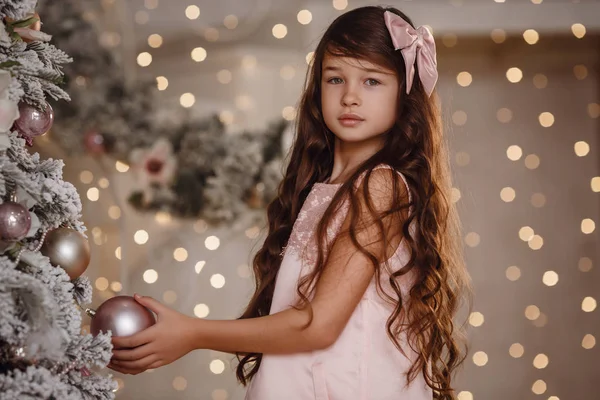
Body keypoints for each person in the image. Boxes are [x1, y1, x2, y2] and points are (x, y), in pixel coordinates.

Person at [108, 5, 473, 399]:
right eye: (335, 78)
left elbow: (318, 326)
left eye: (371, 81)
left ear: (405, 93)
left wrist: (194, 332)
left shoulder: (379, 187)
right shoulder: (325, 187)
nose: (349, 96)